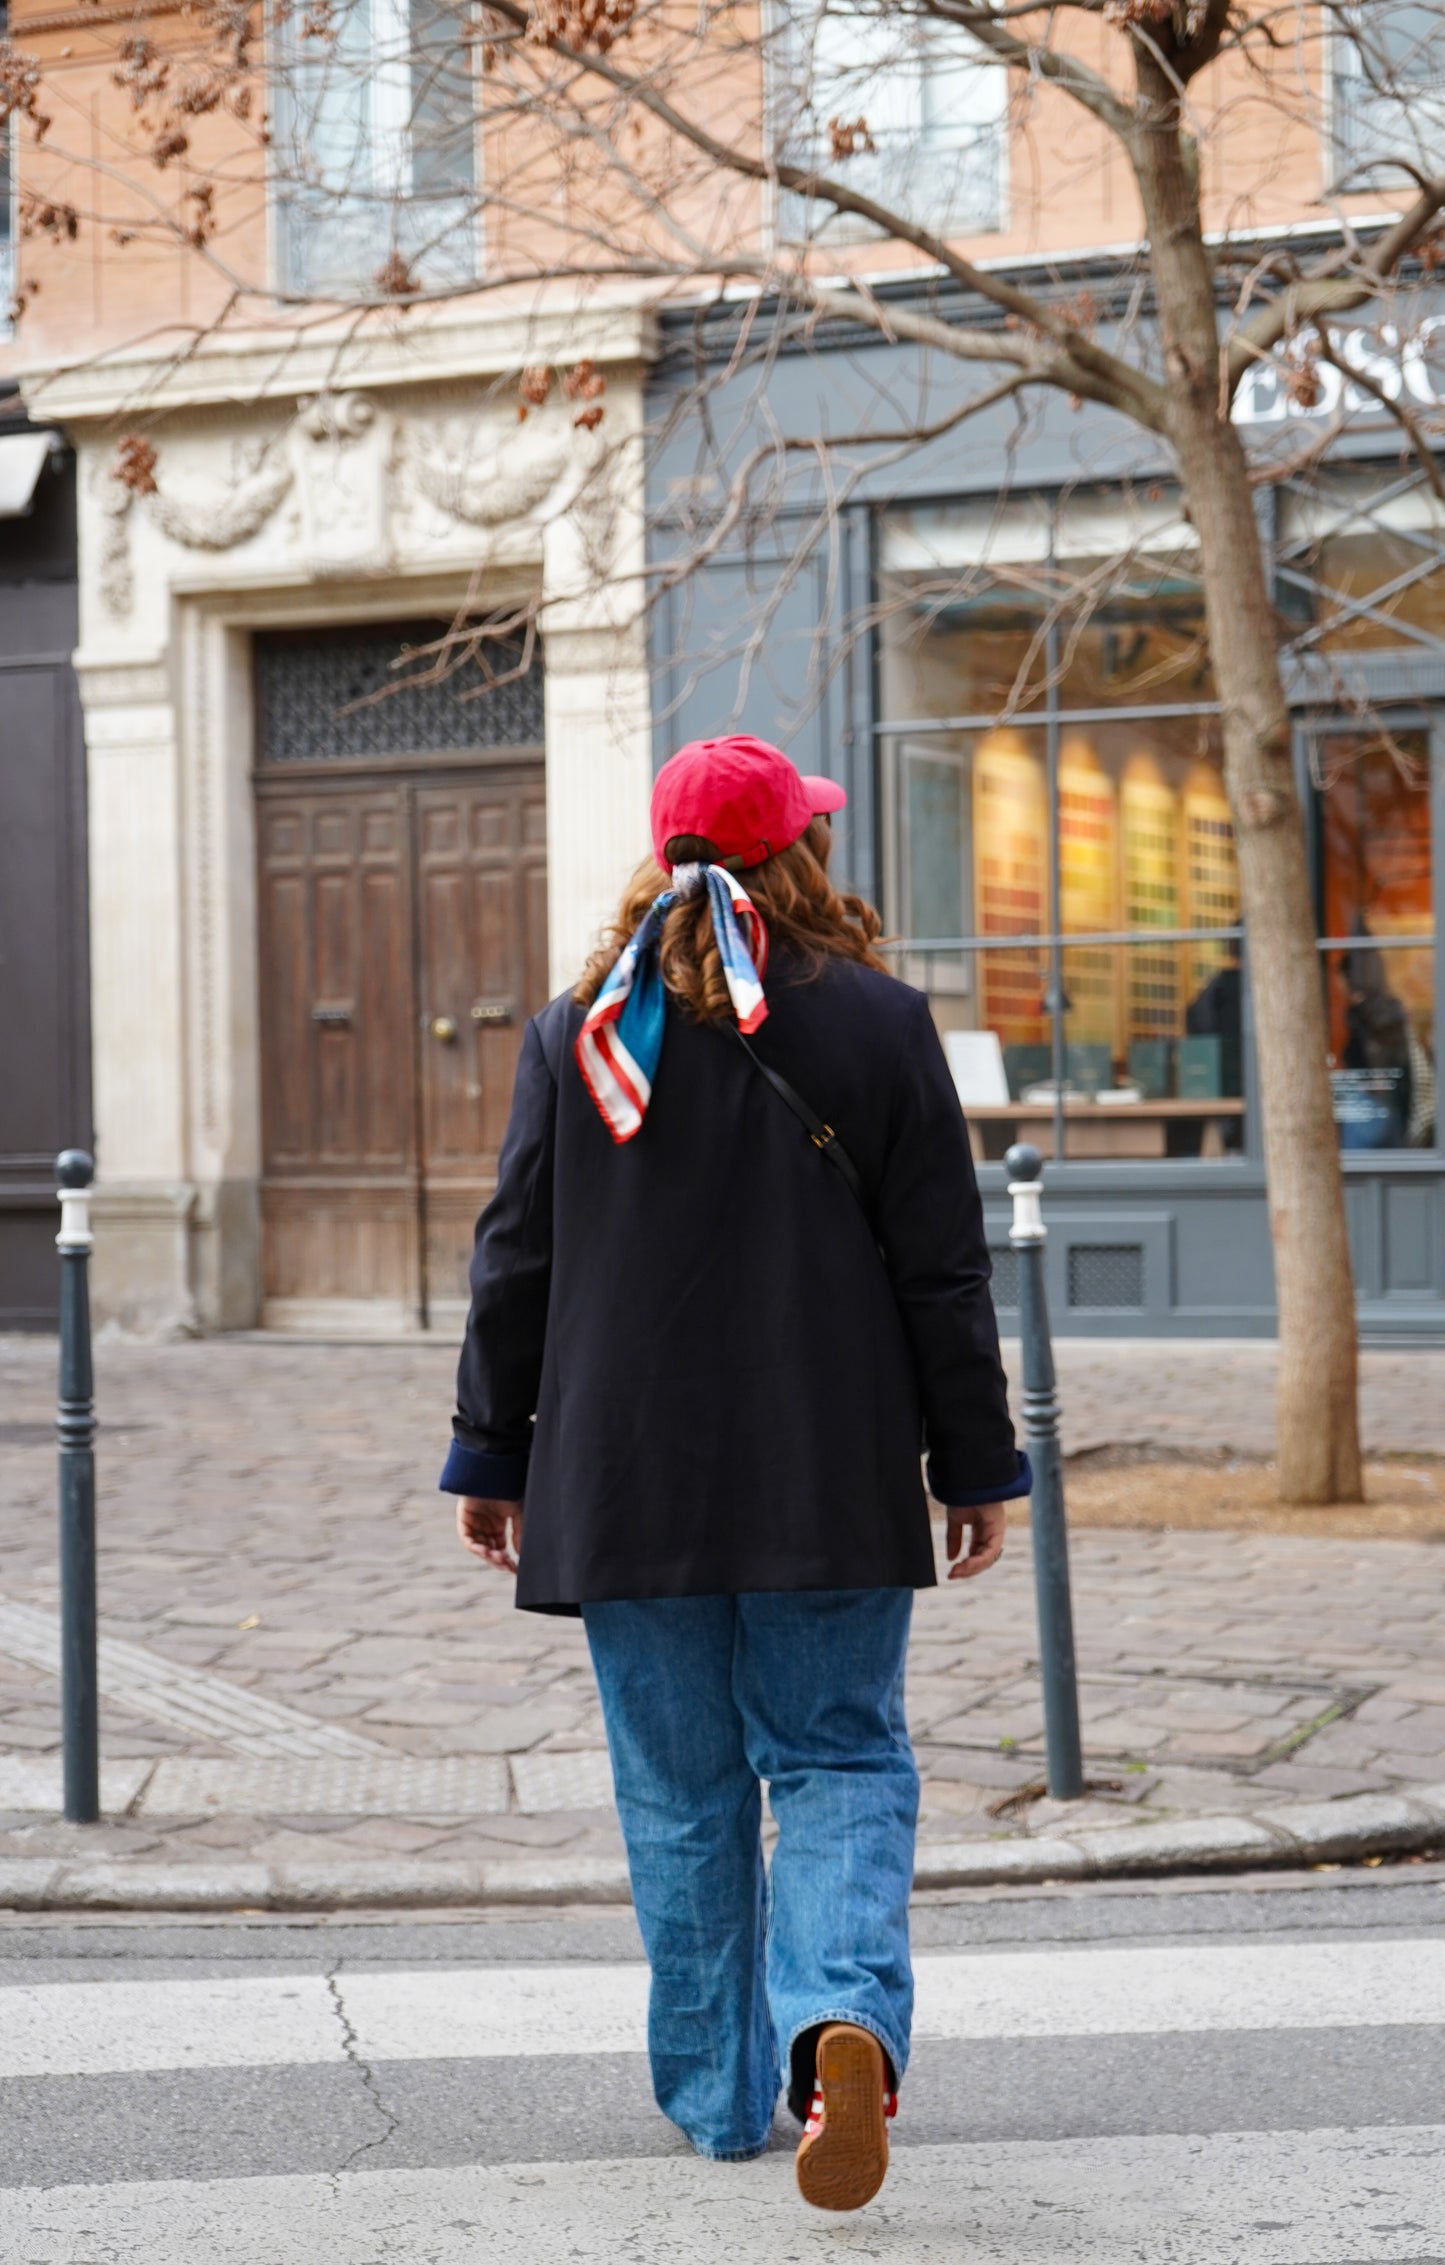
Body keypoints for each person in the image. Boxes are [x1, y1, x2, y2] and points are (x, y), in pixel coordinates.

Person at [439, 734, 1027, 2212]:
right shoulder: (883, 1023)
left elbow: (514, 1259)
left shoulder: (579, 1030)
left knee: (680, 1790)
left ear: (665, 855)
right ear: (799, 853)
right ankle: (839, 2023)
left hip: (621, 1476)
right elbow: (942, 1271)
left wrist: (489, 1450)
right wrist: (976, 1465)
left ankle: (714, 2101)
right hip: (826, 1472)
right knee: (836, 1757)